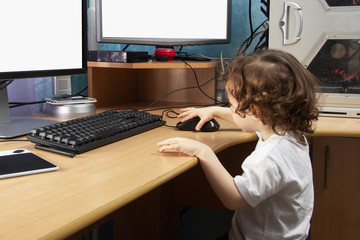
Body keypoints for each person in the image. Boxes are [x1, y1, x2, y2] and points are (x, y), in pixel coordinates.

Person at [158, 49, 320, 240]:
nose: (231, 110)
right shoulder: (288, 132)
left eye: (232, 106)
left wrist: (203, 152)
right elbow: (253, 122)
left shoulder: (270, 158)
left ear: (254, 110)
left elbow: (233, 198)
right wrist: (215, 111)